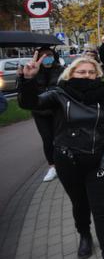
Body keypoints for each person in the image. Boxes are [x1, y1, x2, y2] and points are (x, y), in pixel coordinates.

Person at [18, 54, 104, 259]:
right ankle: (85, 235)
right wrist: (28, 80)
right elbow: (31, 103)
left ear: (98, 75)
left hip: (101, 159)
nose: (87, 76)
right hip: (68, 159)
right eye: (81, 72)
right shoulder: (59, 94)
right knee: (80, 203)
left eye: (91, 72)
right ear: (71, 74)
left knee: (102, 208)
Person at [18, 46, 63, 182]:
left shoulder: (61, 70)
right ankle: (52, 166)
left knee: (61, 138)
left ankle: (65, 163)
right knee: (47, 139)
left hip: (58, 110)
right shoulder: (33, 71)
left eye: (49, 55)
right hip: (40, 113)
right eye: (42, 56)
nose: (46, 58)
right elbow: (24, 97)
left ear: (54, 56)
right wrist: (24, 78)